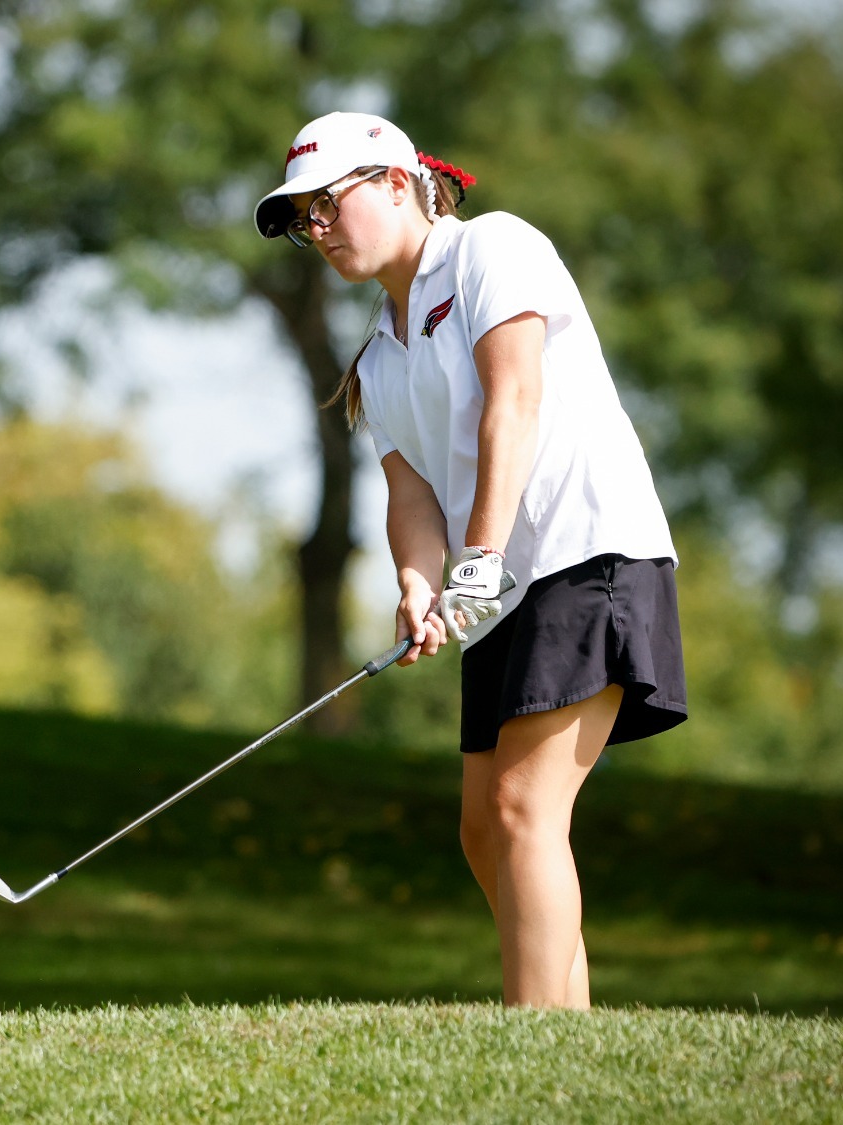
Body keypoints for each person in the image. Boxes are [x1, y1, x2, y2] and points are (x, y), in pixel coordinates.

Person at [254, 112, 686, 1009]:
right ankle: (569, 1031)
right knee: (484, 834)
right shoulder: (376, 354)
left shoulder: (493, 248)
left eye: (328, 204)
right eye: (303, 219)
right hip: (499, 588)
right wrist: (417, 582)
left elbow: (514, 400)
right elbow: (410, 496)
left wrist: (478, 555)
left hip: (583, 548)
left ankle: (535, 1050)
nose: (317, 229)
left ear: (398, 182)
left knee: (524, 811)